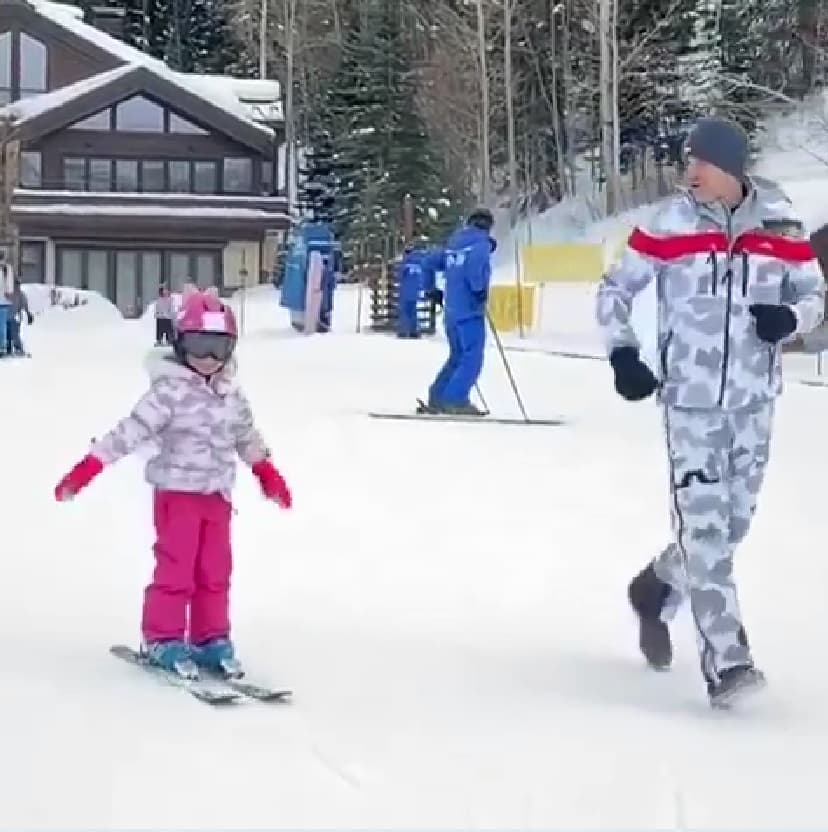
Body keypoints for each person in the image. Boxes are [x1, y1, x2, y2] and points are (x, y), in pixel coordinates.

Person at [596, 116, 825, 707]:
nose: (690, 171)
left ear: (728, 167)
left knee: (733, 528)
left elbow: (814, 295)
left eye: (700, 161)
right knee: (705, 533)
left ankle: (655, 587)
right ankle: (729, 664)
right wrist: (623, 353)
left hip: (755, 402)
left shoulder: (780, 222)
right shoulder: (667, 223)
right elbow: (614, 290)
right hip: (690, 404)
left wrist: (791, 320)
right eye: (689, 160)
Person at [53, 291, 293, 680]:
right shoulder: (167, 393)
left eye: (218, 348)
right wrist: (88, 468)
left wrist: (266, 471)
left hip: (217, 496)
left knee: (215, 571)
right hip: (177, 496)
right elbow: (128, 432)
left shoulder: (231, 394)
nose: (209, 358)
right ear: (180, 343)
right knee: (176, 569)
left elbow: (246, 436)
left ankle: (210, 637)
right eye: (199, 346)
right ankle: (162, 637)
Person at [423, 208, 496, 415]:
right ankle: (455, 399)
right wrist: (479, 290)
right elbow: (475, 268)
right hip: (470, 310)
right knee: (472, 357)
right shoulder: (480, 244)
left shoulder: (453, 245)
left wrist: (430, 289)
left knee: (457, 356)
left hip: (451, 312)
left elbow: (427, 262)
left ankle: (438, 395)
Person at [397, 244, 426, 338]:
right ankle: (414, 331)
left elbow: (400, 275)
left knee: (405, 311)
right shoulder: (420, 262)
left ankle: (404, 330)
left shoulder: (405, 263)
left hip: (406, 290)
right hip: (415, 290)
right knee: (413, 311)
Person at [5, 279, 32, 356]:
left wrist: (28, 314)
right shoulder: (7, 293)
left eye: (18, 285)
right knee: (7, 334)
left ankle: (18, 349)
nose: (17, 286)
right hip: (5, 317)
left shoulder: (21, 295)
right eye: (15, 285)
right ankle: (8, 349)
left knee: (15, 334)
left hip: (15, 318)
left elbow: (25, 305)